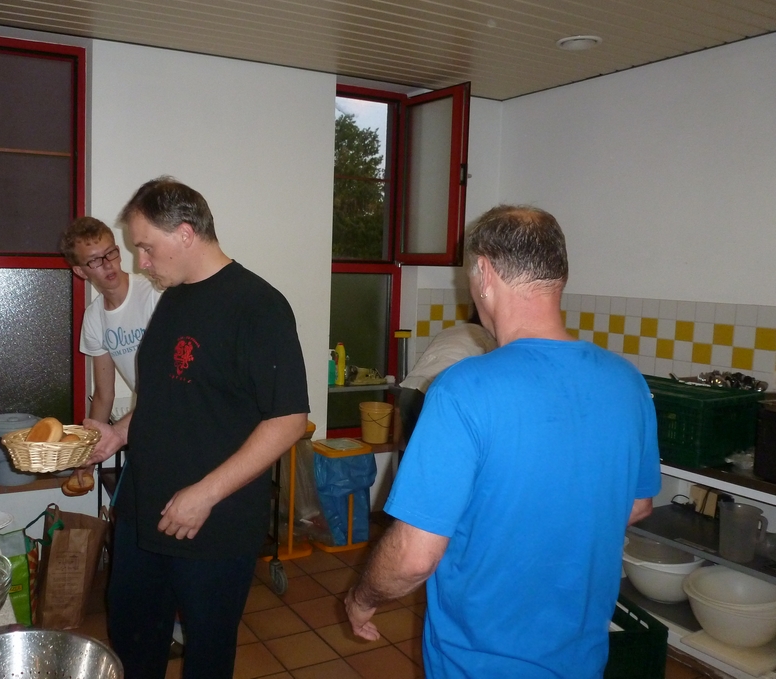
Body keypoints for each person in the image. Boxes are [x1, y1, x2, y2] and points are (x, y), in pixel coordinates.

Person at [344, 205, 660, 678]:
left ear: (485, 273)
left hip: (479, 663)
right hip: (581, 660)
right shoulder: (627, 381)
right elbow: (637, 505)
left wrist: (361, 597)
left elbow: (413, 557)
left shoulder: (463, 389)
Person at [83, 177, 309, 679]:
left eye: (146, 247)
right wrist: (119, 433)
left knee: (207, 653)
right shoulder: (174, 299)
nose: (141, 261)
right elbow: (168, 395)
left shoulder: (258, 306)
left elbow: (289, 419)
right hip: (144, 509)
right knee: (132, 639)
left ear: (185, 233)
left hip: (212, 522)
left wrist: (204, 494)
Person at [60, 216, 161, 424]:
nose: (107, 265)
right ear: (80, 271)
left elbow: (172, 382)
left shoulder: (154, 294)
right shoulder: (94, 318)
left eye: (110, 253)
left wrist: (118, 432)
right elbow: (103, 395)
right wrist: (92, 442)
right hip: (151, 414)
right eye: (95, 260)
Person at [396, 311, 497, 445]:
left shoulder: (451, 330)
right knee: (438, 450)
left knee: (415, 450)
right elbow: (493, 375)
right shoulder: (486, 336)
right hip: (433, 394)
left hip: (408, 391)